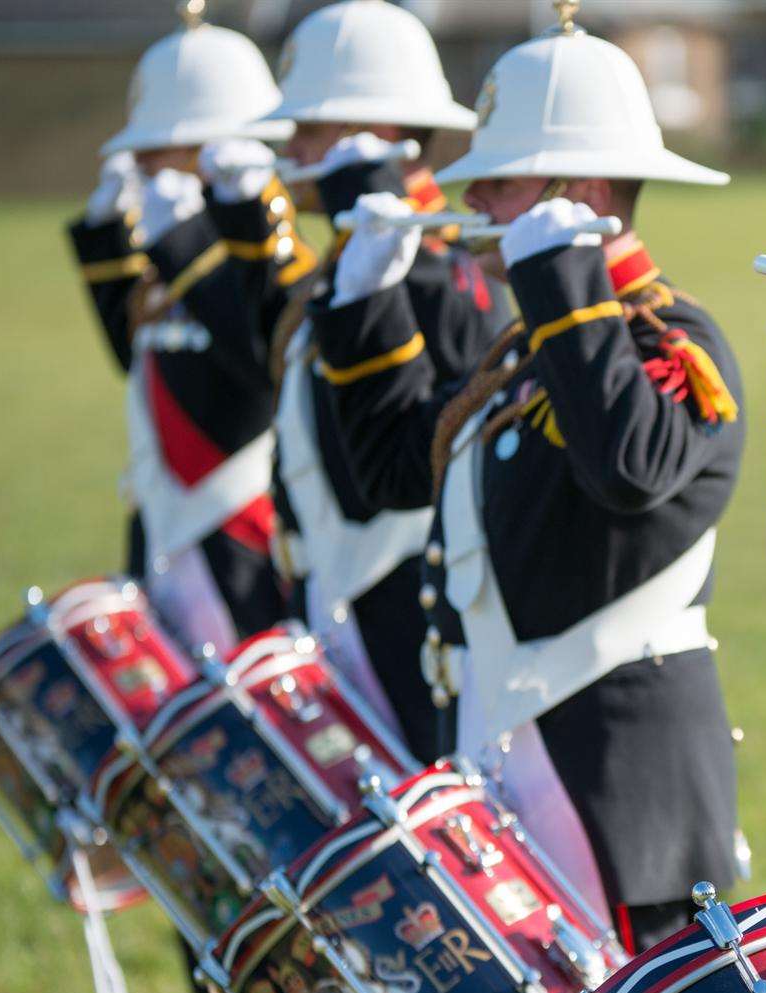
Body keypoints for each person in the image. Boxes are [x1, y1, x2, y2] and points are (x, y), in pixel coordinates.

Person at [311, 1, 744, 951]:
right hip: (498, 755)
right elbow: (391, 470)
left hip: (615, 793)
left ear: (574, 190)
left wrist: (565, 284)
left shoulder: (673, 340)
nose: (473, 209)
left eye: (498, 186)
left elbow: (630, 467)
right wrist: (364, 305)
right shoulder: (519, 355)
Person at [258, 0, 506, 762]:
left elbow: (407, 472)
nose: (291, 145)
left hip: (407, 623)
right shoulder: (348, 261)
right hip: (330, 606)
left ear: (386, 138)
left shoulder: (442, 270)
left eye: (315, 126)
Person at [68, 5, 305, 655]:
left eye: (156, 149)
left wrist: (190, 242)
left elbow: (256, 355)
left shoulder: (264, 252)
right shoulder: (169, 253)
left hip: (240, 526)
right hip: (162, 512)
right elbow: (136, 349)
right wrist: (108, 246)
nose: (141, 163)